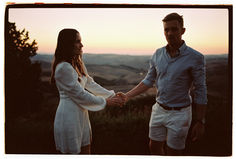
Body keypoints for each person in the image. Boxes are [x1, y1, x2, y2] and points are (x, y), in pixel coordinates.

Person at [124, 13, 207, 155]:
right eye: (166, 30)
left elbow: (200, 90)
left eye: (174, 29)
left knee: (173, 152)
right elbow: (149, 80)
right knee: (154, 147)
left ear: (183, 30)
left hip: (180, 113)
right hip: (159, 110)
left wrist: (200, 121)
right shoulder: (157, 54)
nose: (170, 33)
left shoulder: (196, 57)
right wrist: (126, 96)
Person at [50, 28, 125, 154]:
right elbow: (80, 94)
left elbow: (90, 83)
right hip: (69, 116)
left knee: (86, 149)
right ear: (68, 44)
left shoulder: (77, 63)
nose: (82, 45)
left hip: (81, 113)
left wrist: (112, 95)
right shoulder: (63, 68)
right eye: (77, 41)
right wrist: (106, 102)